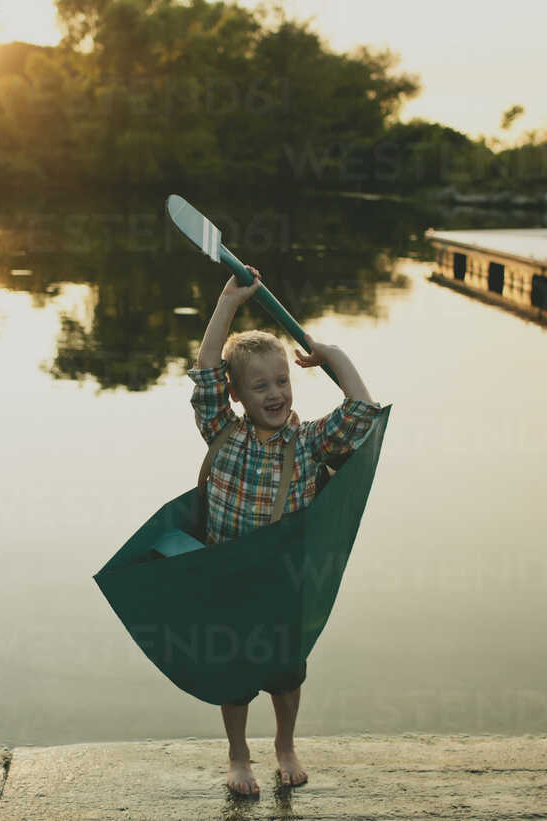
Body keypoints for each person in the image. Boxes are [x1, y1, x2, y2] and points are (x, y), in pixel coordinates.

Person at [187, 264, 381, 796]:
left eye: (282, 382)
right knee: (233, 679)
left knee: (285, 676)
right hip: (226, 581)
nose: (274, 394)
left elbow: (362, 414)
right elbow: (205, 368)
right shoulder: (221, 432)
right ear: (237, 394)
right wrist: (228, 301)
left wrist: (335, 360)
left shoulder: (311, 442)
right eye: (260, 386)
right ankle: (238, 754)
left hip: (282, 584)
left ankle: (285, 744)